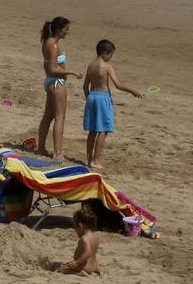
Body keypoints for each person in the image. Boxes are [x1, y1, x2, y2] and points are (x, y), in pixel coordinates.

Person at [82, 39, 142, 169]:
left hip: (92, 97)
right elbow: (118, 85)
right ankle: (96, 160)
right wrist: (133, 91)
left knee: (92, 130)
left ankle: (88, 159)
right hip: (103, 98)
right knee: (103, 129)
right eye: (111, 55)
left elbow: (85, 86)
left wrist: (90, 99)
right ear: (105, 53)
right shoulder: (106, 66)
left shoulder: (91, 66)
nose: (111, 58)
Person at [38, 16, 79, 159]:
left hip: (50, 82)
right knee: (60, 117)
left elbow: (46, 66)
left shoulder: (47, 42)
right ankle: (58, 153)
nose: (67, 32)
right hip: (56, 83)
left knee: (48, 116)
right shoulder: (54, 45)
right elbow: (53, 69)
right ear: (58, 30)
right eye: (66, 30)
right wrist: (71, 72)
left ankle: (41, 147)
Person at [58, 205, 101, 275]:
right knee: (69, 263)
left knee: (61, 270)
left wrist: (77, 263)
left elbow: (88, 253)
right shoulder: (96, 234)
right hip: (94, 265)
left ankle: (79, 273)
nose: (75, 230)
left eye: (75, 227)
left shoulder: (85, 238)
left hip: (84, 267)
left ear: (80, 226)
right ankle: (95, 269)